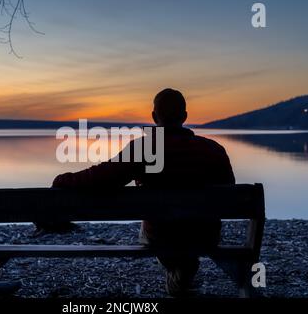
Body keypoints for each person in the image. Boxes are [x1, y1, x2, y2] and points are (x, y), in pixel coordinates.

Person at [46, 88, 235, 296]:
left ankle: (177, 269)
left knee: (159, 226)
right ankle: (183, 269)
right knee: (186, 224)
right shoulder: (214, 150)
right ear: (184, 117)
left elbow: (102, 178)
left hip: (162, 235)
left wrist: (63, 180)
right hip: (205, 235)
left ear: (154, 117)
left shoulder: (145, 148)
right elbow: (230, 192)